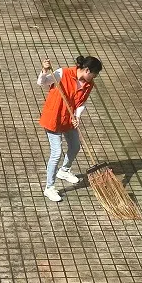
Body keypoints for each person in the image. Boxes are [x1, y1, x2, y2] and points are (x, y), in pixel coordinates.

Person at [37, 55, 103, 202]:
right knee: (56, 153)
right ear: (87, 70)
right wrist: (45, 70)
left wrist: (77, 116)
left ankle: (64, 170)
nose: (95, 77)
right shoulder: (62, 73)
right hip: (53, 117)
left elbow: (82, 102)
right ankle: (49, 187)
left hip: (69, 119)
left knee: (75, 146)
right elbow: (41, 82)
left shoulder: (88, 84)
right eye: (94, 74)